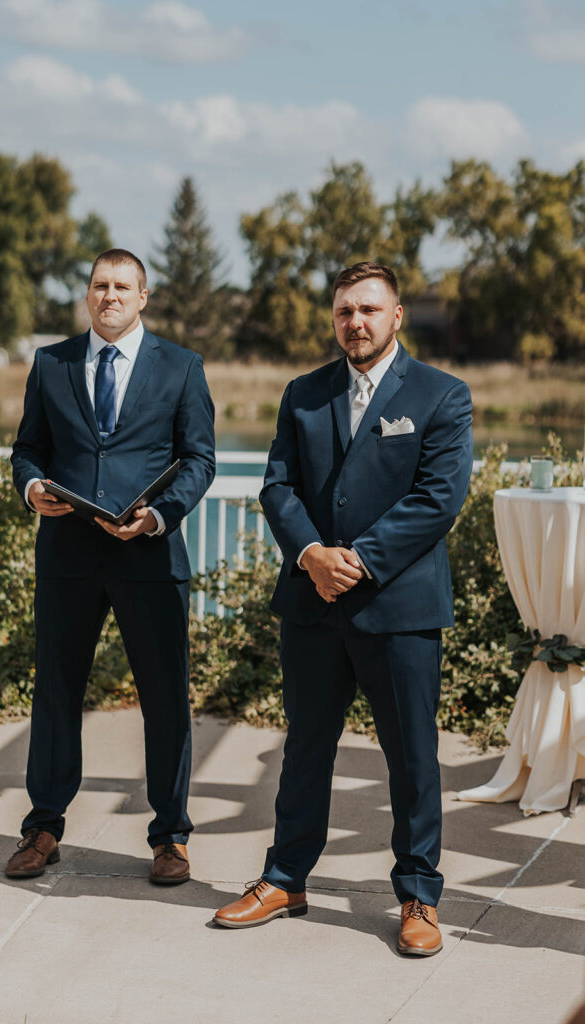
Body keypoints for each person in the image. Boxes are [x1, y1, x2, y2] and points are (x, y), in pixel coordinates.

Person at [214, 261, 473, 955]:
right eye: (342, 312)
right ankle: (285, 878)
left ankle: (418, 895)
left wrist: (353, 561)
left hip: (399, 607)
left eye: (367, 310)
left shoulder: (441, 394)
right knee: (302, 749)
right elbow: (277, 487)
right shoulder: (302, 394)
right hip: (311, 603)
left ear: (394, 316)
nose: (353, 322)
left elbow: (437, 498)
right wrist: (310, 556)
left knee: (412, 758)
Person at [7, 248, 215, 886]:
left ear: (143, 296)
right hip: (67, 556)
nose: (110, 296)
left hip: (148, 556)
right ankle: (43, 827)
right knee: (56, 694)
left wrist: (156, 518)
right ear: (87, 295)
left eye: (123, 286)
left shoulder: (182, 367)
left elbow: (200, 459)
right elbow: (27, 449)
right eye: (100, 285)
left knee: (164, 701)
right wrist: (32, 487)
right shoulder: (52, 362)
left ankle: (170, 838)